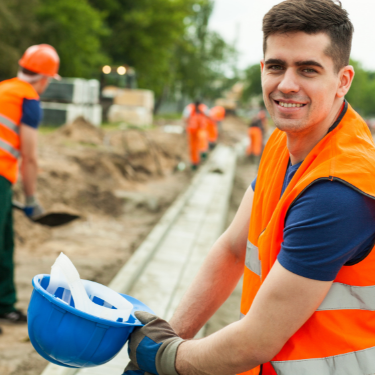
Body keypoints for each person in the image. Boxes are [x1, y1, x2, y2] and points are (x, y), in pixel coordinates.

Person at [124, 1, 375, 374]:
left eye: (308, 69)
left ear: (343, 80)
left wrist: (163, 358)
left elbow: (255, 340)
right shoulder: (282, 143)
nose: (287, 84)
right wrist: (173, 334)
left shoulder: (338, 192)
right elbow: (232, 248)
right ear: (262, 70)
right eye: (276, 66)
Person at [0, 44, 60, 329]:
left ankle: (4, 304)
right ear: (45, 78)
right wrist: (31, 198)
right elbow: (30, 157)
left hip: (3, 178)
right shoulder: (28, 99)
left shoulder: (5, 89)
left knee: (5, 242)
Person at [182, 100, 210, 169]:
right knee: (193, 147)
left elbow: (209, 116)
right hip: (192, 131)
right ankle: (195, 162)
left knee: (202, 139)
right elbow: (185, 118)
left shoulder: (203, 108)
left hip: (200, 129)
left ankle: (203, 152)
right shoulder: (189, 108)